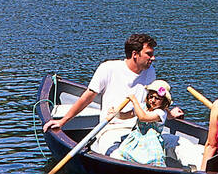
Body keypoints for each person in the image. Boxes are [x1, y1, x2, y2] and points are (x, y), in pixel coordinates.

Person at [43, 34, 184, 148]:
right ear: (135, 54)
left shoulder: (150, 71)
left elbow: (151, 103)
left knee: (184, 146)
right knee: (120, 155)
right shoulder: (108, 68)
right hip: (111, 129)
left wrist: (169, 113)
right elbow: (87, 97)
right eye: (149, 54)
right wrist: (62, 121)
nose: (153, 58)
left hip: (142, 130)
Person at [107, 82, 174, 165]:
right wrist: (116, 114)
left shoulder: (161, 113)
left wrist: (134, 101)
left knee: (153, 160)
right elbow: (128, 115)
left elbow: (143, 117)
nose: (153, 100)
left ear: (164, 101)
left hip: (151, 143)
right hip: (136, 139)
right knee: (122, 153)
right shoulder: (143, 108)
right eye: (151, 97)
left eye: (157, 98)